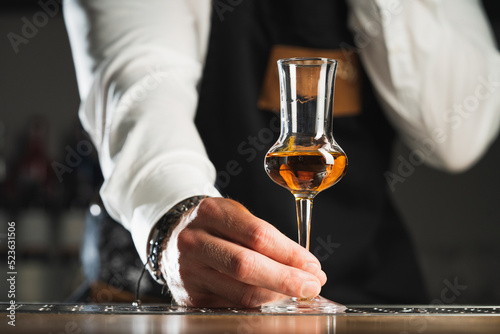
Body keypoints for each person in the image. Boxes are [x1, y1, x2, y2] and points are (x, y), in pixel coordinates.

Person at [63, 0, 500, 307]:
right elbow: (140, 84)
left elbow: (457, 137)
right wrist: (174, 215)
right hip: (169, 297)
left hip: (361, 289)